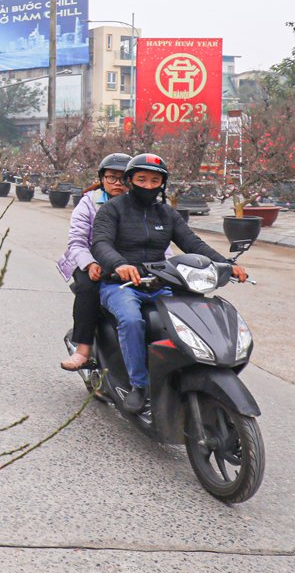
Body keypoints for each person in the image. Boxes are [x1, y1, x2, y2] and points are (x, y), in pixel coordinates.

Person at [90, 153, 248, 414]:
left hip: (160, 284)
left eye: (155, 180)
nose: (148, 186)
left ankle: (186, 373)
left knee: (192, 316)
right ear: (130, 181)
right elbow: (101, 243)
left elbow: (193, 243)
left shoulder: (167, 214)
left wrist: (227, 264)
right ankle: (138, 385)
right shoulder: (112, 209)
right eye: (141, 179)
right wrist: (119, 264)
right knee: (131, 320)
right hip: (120, 285)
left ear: (162, 184)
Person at [56, 153, 130, 371]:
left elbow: (160, 244)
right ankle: (83, 349)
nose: (118, 183)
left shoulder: (139, 205)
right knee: (88, 289)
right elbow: (77, 241)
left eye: (124, 179)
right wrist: (89, 264)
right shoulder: (89, 203)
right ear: (102, 178)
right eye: (112, 177)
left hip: (126, 262)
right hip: (89, 259)